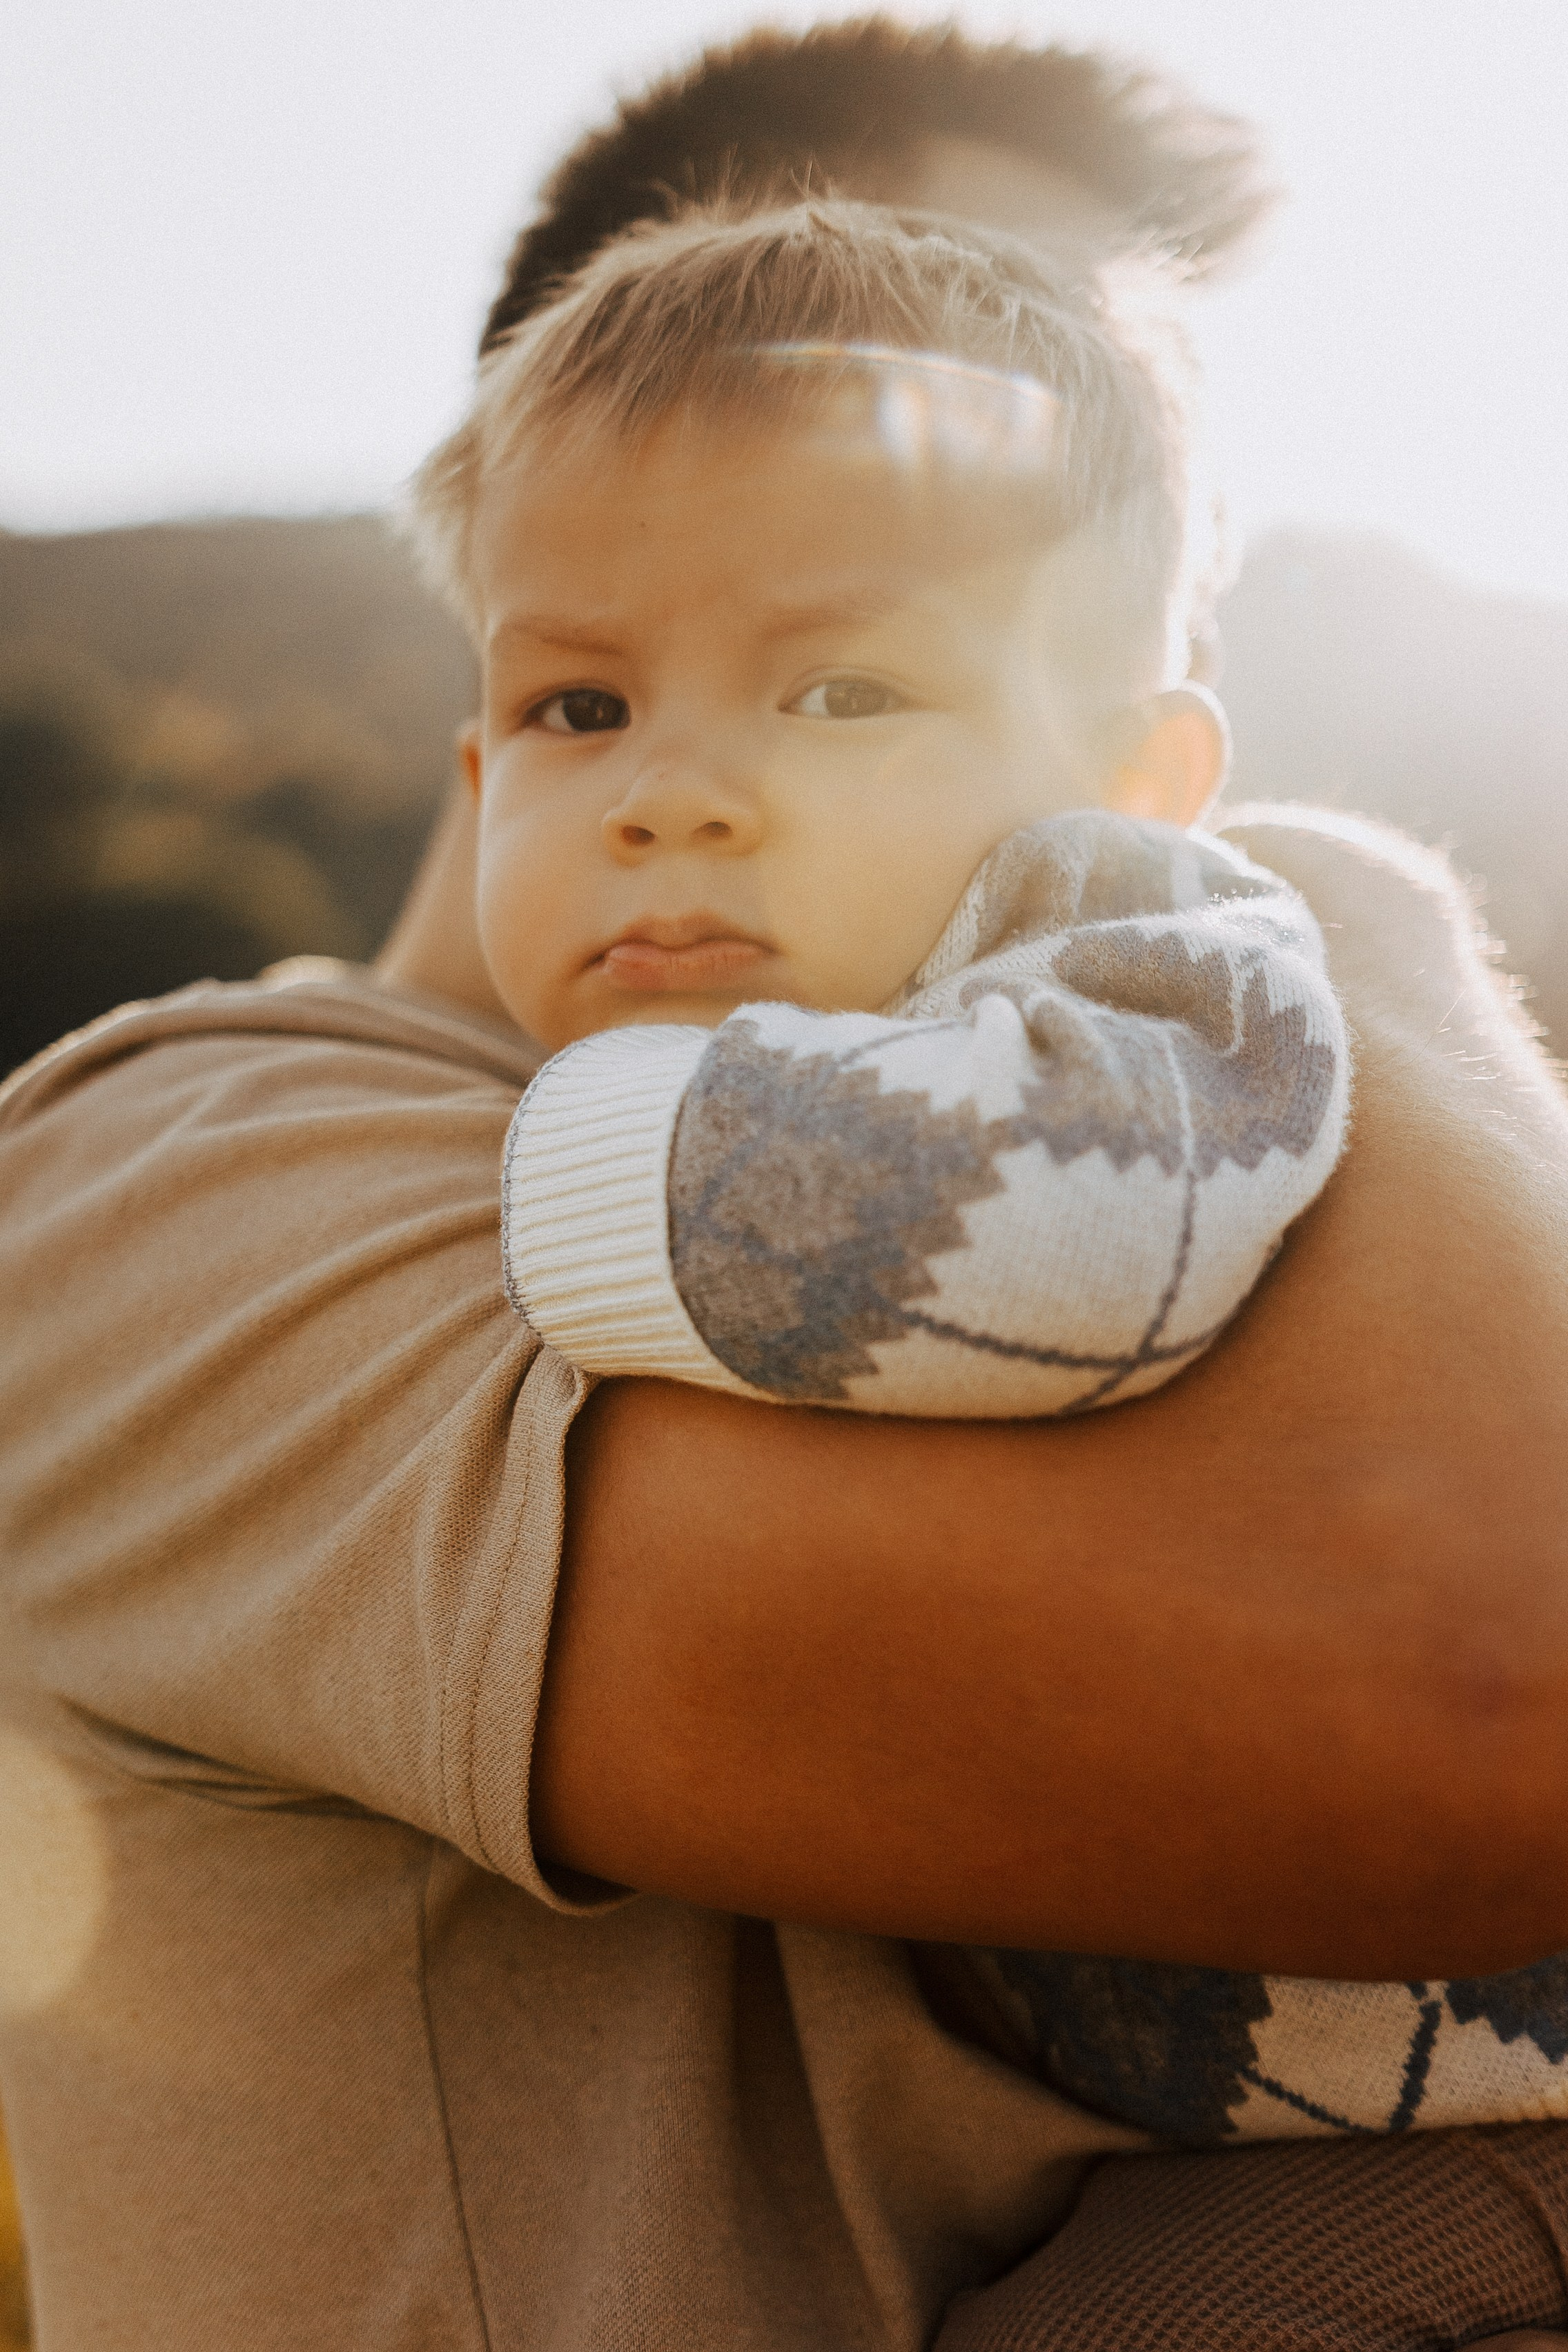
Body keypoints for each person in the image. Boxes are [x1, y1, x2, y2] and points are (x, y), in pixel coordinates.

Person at [4, 25, 1568, 2352]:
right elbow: (1491, 1698)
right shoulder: (177, 1191)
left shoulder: (1111, 1063)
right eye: (963, 394)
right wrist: (1327, 905)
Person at [414, 188, 1568, 2349]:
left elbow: (1069, 1249)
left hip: (1499, 2106)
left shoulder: (1151, 958)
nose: (675, 791)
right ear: (476, 778)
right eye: (579, 710)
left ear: (1133, 775)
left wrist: (568, 1170)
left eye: (842, 688)